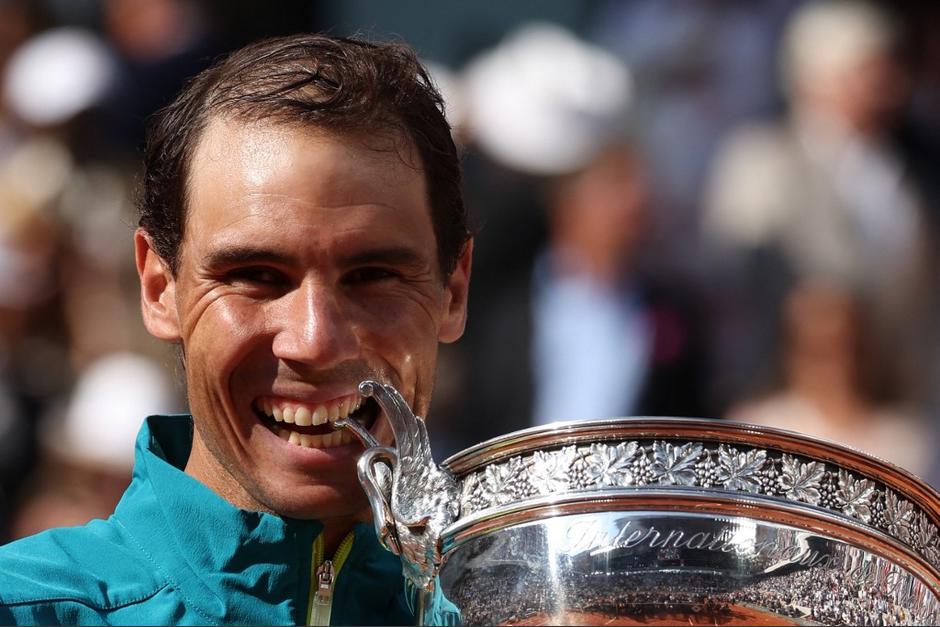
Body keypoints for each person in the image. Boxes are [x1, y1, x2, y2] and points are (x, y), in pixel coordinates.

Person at [0, 33, 471, 625]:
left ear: (453, 291)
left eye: (373, 275)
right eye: (256, 275)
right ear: (159, 288)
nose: (315, 340)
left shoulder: (527, 611)